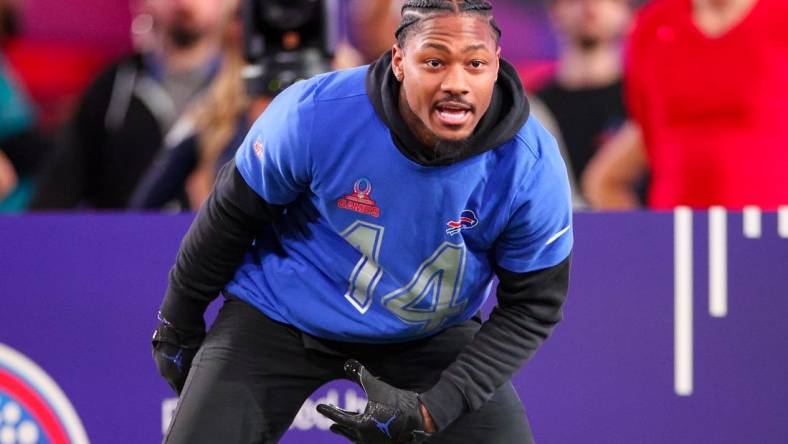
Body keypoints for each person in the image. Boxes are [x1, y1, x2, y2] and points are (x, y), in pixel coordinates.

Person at [152, 1, 573, 443]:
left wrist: (432, 410)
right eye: (433, 61)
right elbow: (231, 215)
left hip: (428, 331)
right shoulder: (315, 113)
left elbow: (533, 306)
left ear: (496, 66)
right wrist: (177, 322)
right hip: (282, 313)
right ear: (398, 62)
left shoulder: (531, 165)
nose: (456, 83)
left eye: (475, 64)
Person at [583, 0, 788, 209]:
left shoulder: (781, 19)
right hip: (676, 232)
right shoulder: (652, 26)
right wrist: (644, 238)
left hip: (769, 232)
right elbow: (645, 129)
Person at [30, 0, 234, 209]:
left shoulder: (242, 95)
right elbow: (59, 186)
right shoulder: (113, 87)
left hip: (215, 238)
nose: (184, 3)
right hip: (124, 238)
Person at [532, 0, 633, 207]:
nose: (590, 7)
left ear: (627, 10)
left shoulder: (645, 102)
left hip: (637, 231)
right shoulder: (529, 110)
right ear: (554, 11)